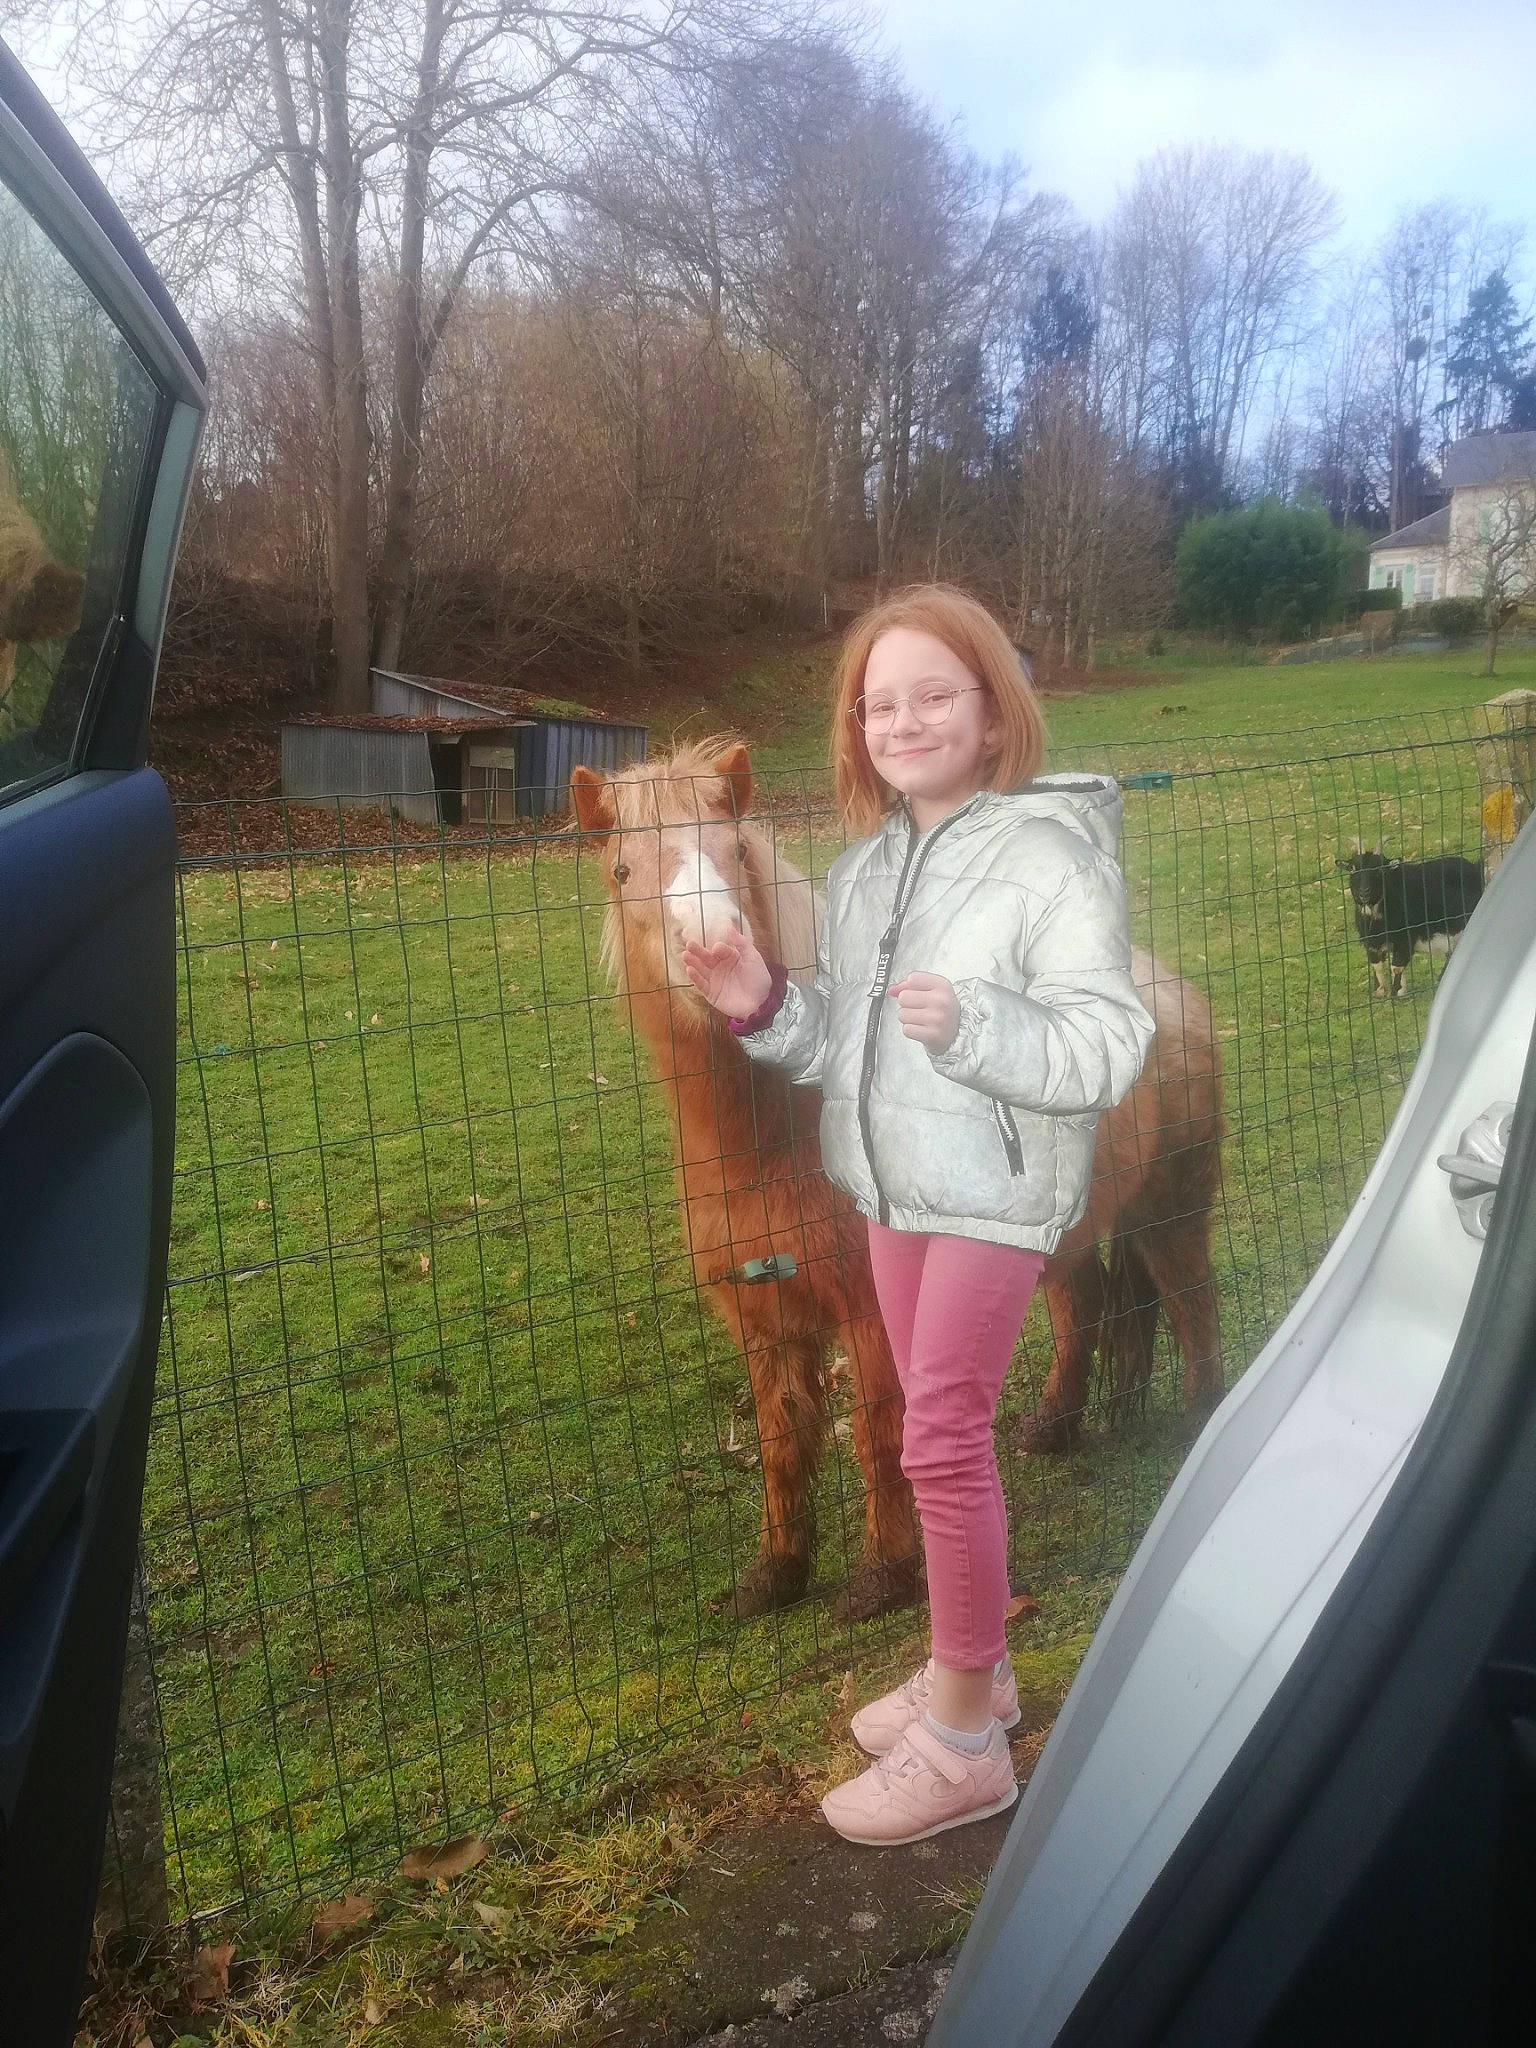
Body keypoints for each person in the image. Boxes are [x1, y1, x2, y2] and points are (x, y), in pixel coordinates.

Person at [682, 584, 1155, 1847]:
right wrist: (756, 998)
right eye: (877, 701)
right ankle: (979, 1666)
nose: (903, 718)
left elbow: (1111, 1037)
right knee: (925, 1437)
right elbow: (847, 1041)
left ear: (995, 716)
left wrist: (982, 1025)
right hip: (893, 1188)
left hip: (998, 1190)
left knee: (941, 1435)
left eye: (933, 693)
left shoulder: (1051, 856)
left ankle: (962, 1744)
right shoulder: (866, 872)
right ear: (855, 732)